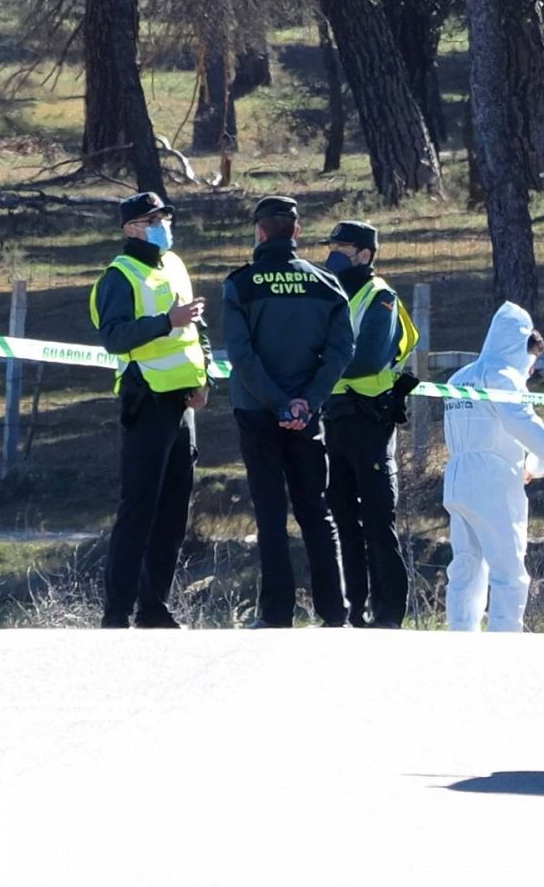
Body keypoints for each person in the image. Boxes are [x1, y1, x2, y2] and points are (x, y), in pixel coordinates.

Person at [222, 196, 355, 628]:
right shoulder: (326, 284)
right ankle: (335, 613)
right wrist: (307, 400)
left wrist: (278, 402)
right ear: (296, 232)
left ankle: (276, 614)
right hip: (306, 413)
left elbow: (241, 355)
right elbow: (341, 351)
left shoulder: (241, 285)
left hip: (257, 412)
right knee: (316, 512)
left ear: (260, 233)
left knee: (271, 515)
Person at [89, 192, 211, 629]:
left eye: (163, 216)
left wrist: (205, 378)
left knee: (174, 510)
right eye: (150, 218)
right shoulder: (119, 275)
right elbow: (116, 337)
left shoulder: (174, 264)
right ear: (130, 229)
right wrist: (167, 322)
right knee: (139, 506)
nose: (161, 223)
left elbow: (196, 325)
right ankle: (117, 611)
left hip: (183, 402)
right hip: (146, 399)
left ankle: (154, 606)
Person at [320, 221, 419, 629]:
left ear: (365, 254)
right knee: (343, 518)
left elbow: (369, 358)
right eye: (332, 246)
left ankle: (389, 613)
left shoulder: (380, 297)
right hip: (335, 418)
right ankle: (353, 610)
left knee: (378, 520)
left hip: (369, 420)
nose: (333, 254)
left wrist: (321, 366)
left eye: (342, 248)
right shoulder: (331, 294)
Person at [442, 303, 544, 632]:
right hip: (493, 480)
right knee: (508, 568)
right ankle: (505, 639)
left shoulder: (460, 375)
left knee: (466, 566)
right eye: (532, 361)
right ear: (520, 346)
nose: (531, 370)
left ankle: (460, 634)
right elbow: (519, 420)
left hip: (457, 477)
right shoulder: (503, 376)